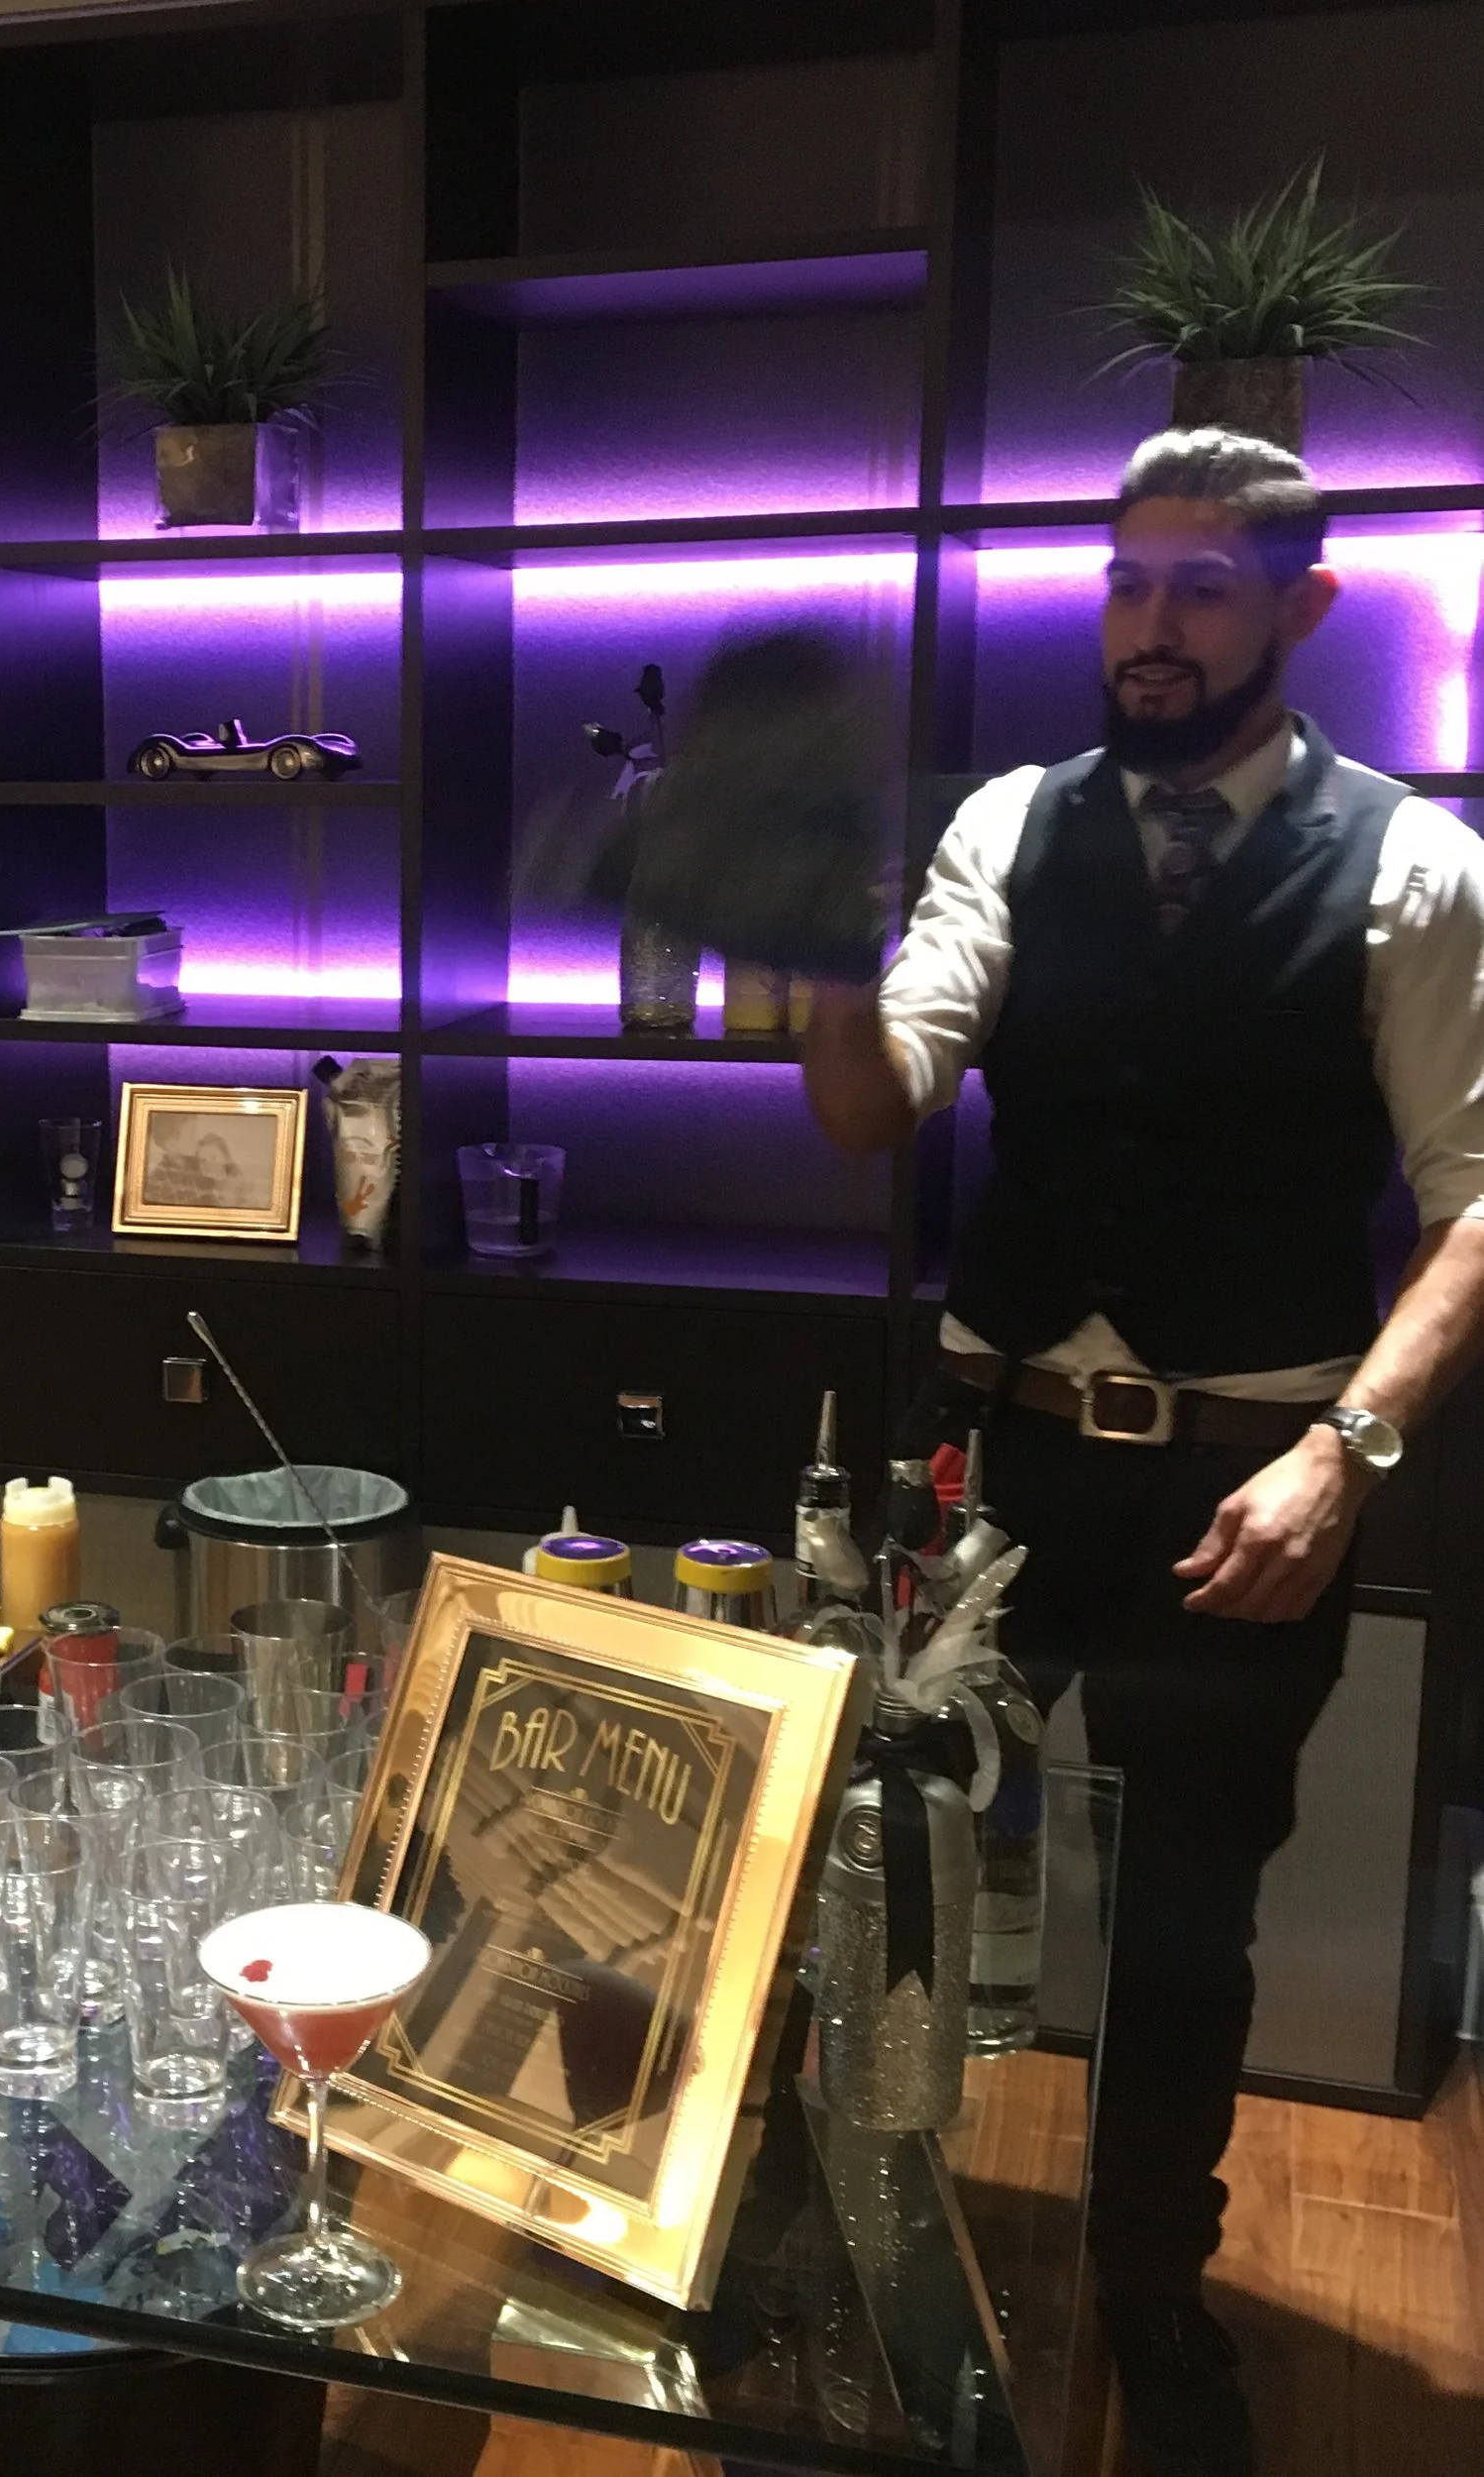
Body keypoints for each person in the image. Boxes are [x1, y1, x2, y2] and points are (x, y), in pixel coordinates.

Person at [801, 428, 1484, 2477]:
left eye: (1198, 585)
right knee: (892, 1871)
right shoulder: (1007, 824)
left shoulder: (1412, 863)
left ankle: (1150, 2301)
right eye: (1124, 584)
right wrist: (806, 950)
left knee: (1184, 1920)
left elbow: (1475, 1194)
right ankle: (862, 2233)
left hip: (1243, 1477)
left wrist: (1343, 1453)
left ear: (1301, 605)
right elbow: (875, 1101)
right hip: (988, 1463)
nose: (1150, 624)